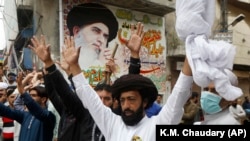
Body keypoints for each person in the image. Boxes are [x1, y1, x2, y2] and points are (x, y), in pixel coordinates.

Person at [61, 22, 193, 141]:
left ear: (145, 102)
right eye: (123, 100)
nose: (126, 105)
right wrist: (74, 66)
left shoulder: (159, 125)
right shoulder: (112, 123)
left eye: (131, 99)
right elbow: (89, 97)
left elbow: (179, 93)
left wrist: (192, 50)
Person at [28, 22, 145, 141]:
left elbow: (131, 88)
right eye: (98, 98)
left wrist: (134, 55)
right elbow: (64, 92)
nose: (102, 102)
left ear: (114, 102)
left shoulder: (117, 119)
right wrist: (49, 64)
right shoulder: (84, 115)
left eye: (107, 99)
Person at [0, 73, 56, 141]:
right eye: (30, 95)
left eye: (34, 95)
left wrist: (23, 93)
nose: (30, 97)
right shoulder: (25, 115)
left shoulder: (49, 116)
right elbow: (6, 111)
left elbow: (38, 111)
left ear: (43, 99)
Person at [66, 3, 118, 70]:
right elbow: (80, 80)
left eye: (105, 36)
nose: (101, 40)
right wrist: (99, 64)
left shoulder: (104, 64)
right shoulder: (64, 64)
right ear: (77, 31)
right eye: (96, 31)